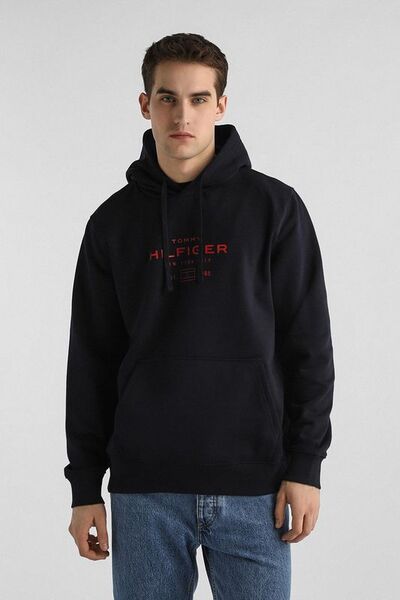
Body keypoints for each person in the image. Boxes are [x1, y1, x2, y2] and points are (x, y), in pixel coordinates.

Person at [64, 32, 335, 599]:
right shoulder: (112, 225)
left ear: (221, 105)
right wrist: (85, 486)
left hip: (257, 488)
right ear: (145, 105)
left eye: (198, 98)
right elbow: (91, 361)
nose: (182, 115)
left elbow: (308, 345)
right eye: (167, 98)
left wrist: (306, 464)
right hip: (145, 491)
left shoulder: (275, 209)